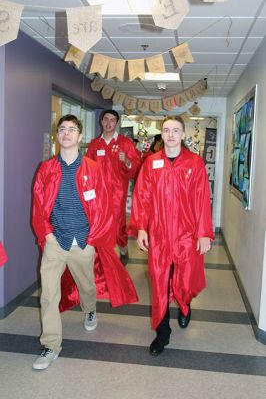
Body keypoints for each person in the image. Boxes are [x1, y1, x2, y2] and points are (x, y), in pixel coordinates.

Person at [32, 114, 138, 371]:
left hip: (82, 240)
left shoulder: (92, 168)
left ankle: (89, 308)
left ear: (80, 137)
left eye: (72, 130)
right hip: (56, 241)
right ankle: (51, 345)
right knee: (48, 295)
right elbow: (38, 206)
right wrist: (46, 233)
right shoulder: (46, 170)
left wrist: (92, 240)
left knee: (87, 285)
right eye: (62, 129)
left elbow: (103, 208)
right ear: (58, 136)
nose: (66, 133)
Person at [128, 115, 214, 356]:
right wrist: (142, 227)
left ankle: (185, 305)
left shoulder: (194, 163)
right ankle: (162, 332)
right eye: (166, 130)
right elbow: (142, 197)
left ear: (183, 134)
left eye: (176, 130)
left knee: (185, 280)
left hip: (187, 235)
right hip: (160, 235)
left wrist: (204, 233)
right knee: (160, 282)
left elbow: (201, 201)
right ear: (162, 134)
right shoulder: (152, 163)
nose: (171, 135)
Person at [86, 109, 141, 264]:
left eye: (112, 120)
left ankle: (123, 248)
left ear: (116, 123)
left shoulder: (125, 143)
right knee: (98, 222)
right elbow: (87, 168)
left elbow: (135, 165)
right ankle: (102, 256)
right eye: (106, 119)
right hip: (98, 192)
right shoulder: (95, 144)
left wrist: (127, 161)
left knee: (118, 223)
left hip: (117, 191)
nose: (108, 123)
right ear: (101, 122)